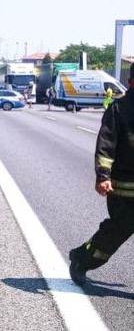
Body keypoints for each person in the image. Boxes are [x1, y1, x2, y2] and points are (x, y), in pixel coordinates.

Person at [68, 76, 134, 286]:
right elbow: (106, 145)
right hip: (124, 188)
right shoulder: (119, 108)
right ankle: (82, 260)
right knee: (116, 233)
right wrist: (103, 175)